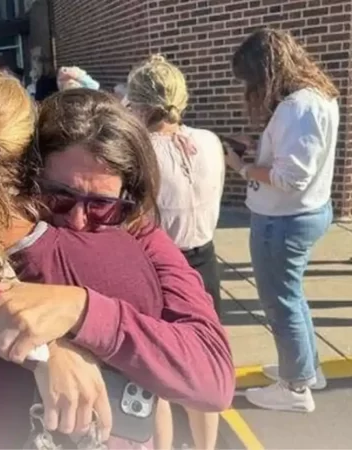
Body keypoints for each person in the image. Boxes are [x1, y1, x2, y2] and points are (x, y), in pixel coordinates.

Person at [0, 70, 233, 448]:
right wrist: (42, 347)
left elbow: (211, 376)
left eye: (104, 206)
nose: (77, 219)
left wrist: (79, 308)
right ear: (27, 167)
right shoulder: (124, 263)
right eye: (58, 196)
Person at [226, 29, 338, 412]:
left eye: (250, 79)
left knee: (281, 304)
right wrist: (259, 148)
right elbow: (294, 160)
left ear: (265, 70)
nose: (251, 88)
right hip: (301, 214)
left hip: (283, 220)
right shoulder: (317, 98)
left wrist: (241, 167)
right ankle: (305, 371)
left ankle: (294, 390)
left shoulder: (297, 107)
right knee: (292, 299)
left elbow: (291, 179)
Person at [126, 55, 225, 450]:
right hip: (206, 259)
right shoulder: (210, 141)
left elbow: (137, 219)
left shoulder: (141, 152)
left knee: (159, 370)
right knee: (202, 368)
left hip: (162, 266)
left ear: (142, 106)